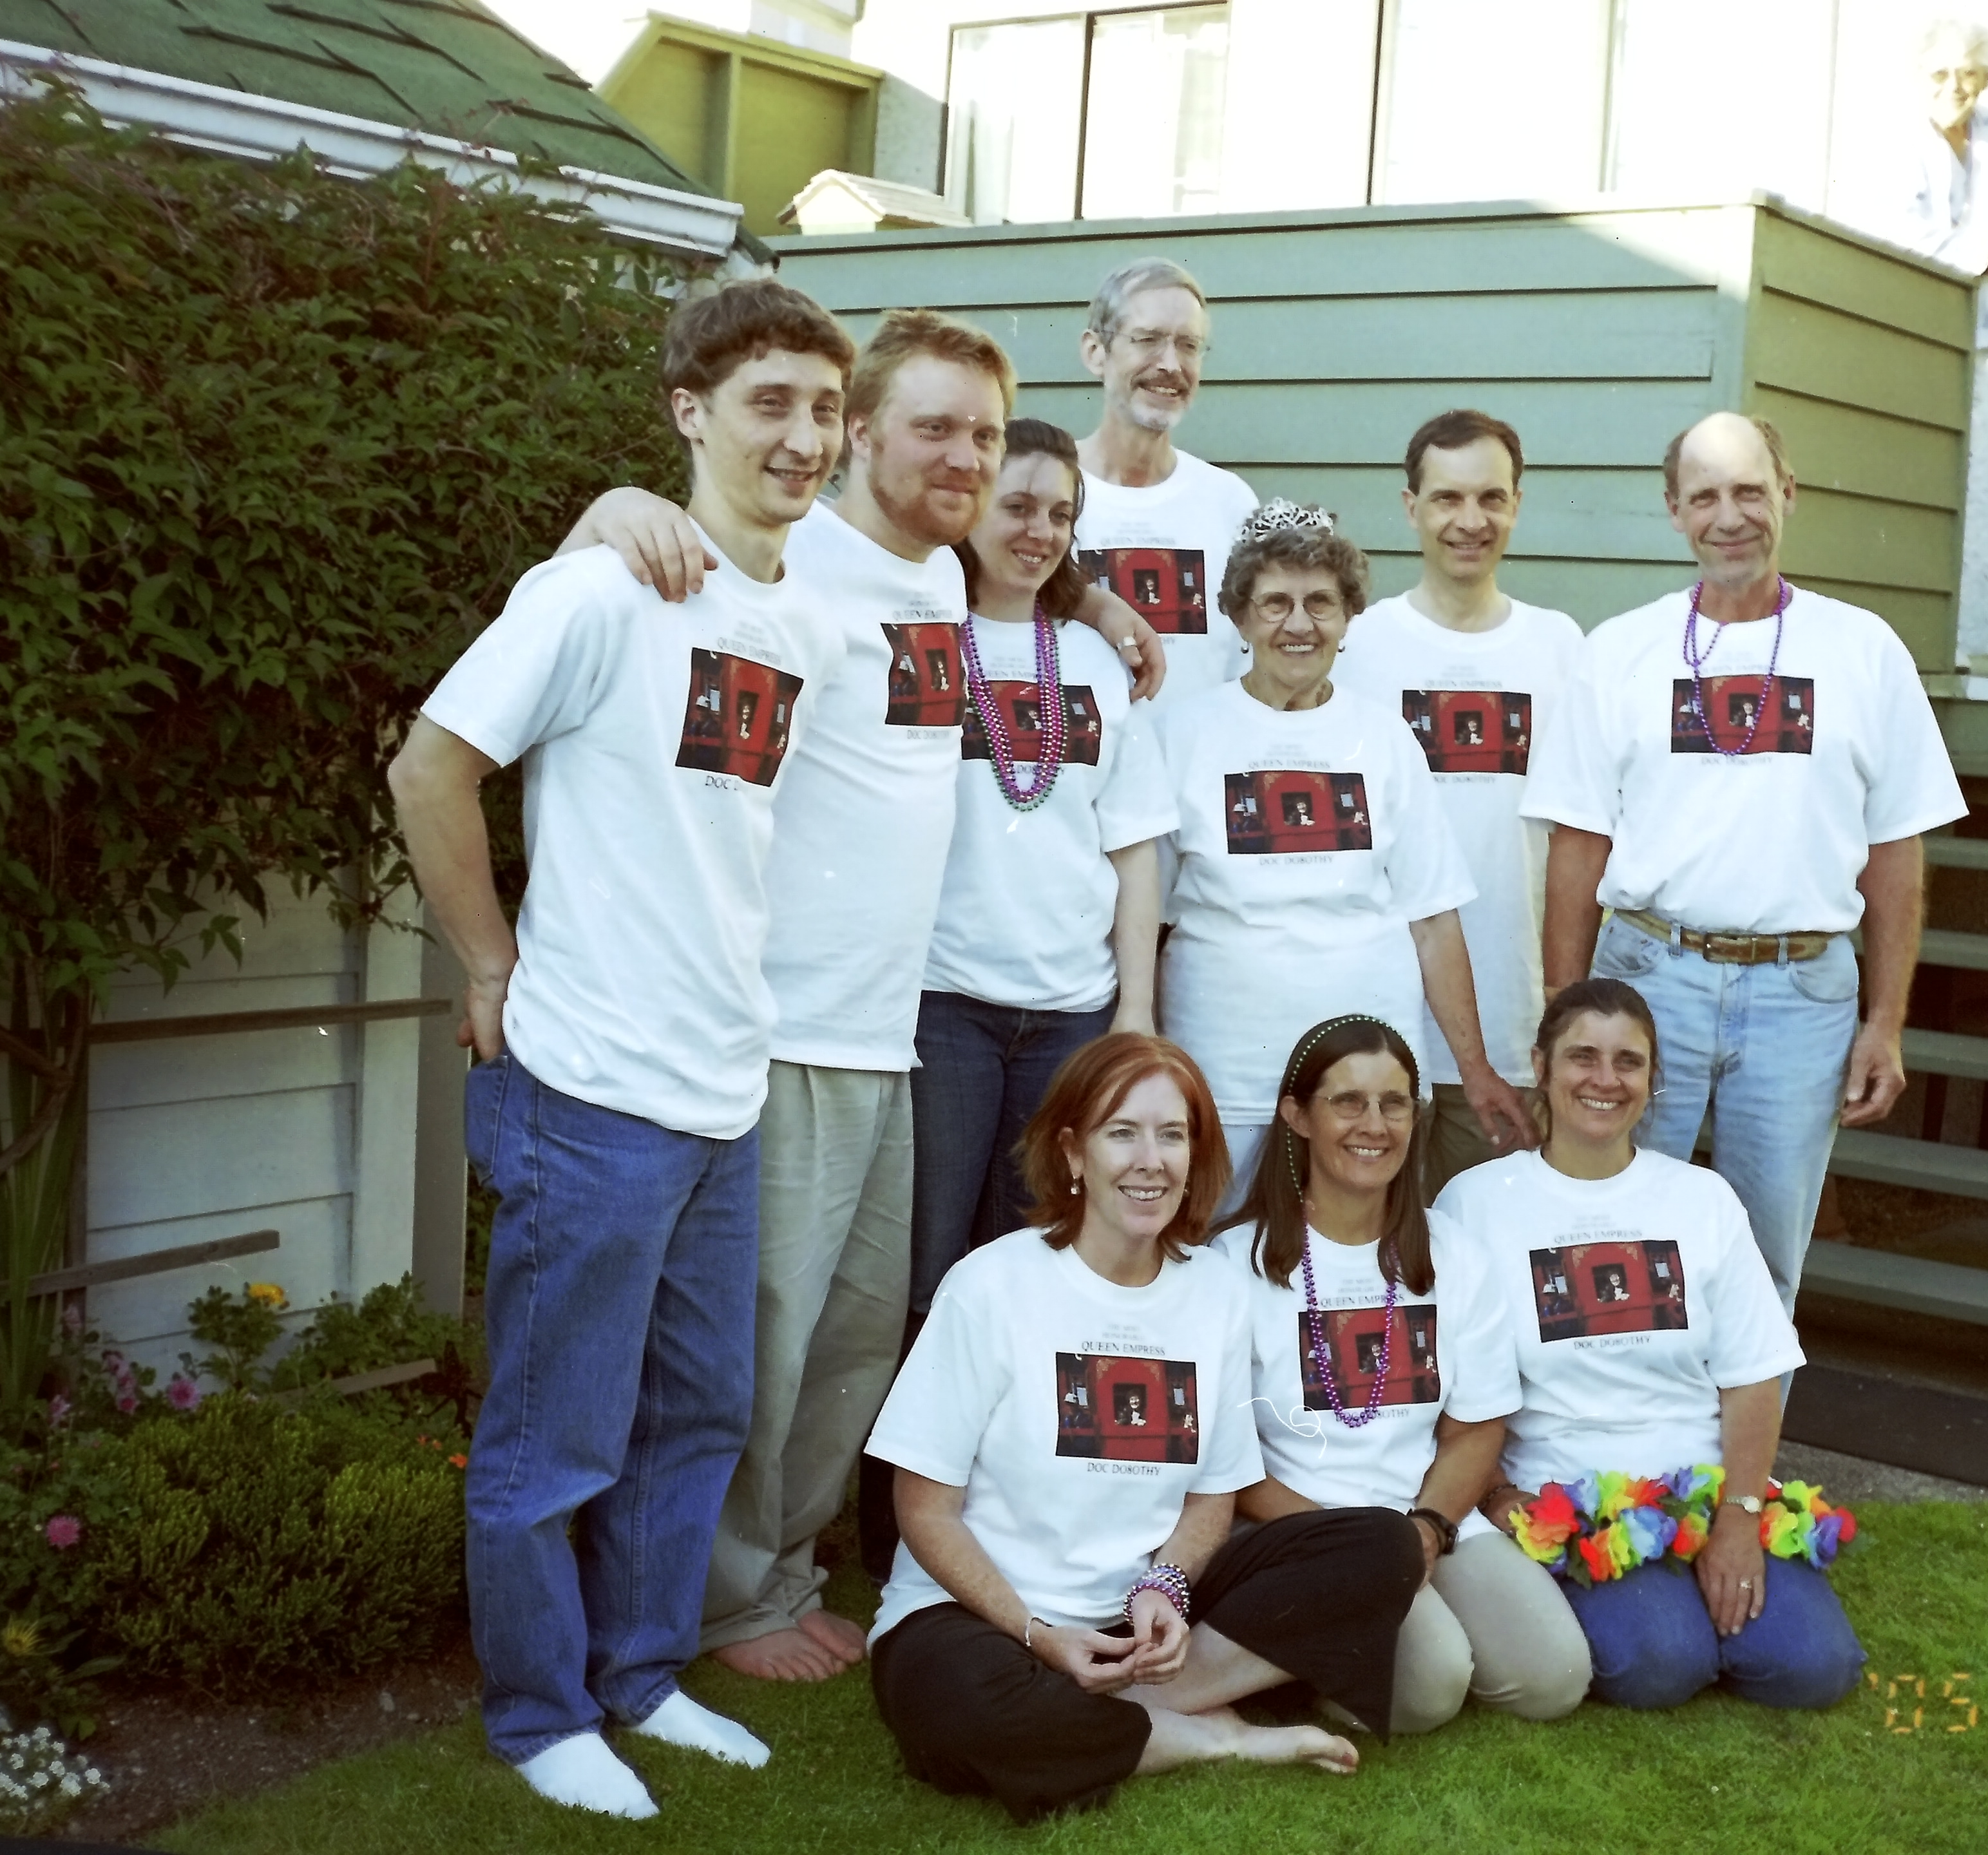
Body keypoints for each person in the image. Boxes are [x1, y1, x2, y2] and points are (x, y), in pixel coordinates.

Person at [387, 279, 854, 1816]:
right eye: (769, 402)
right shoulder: (596, 595)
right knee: (555, 1435)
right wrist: (490, 964)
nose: (802, 436)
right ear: (689, 412)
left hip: (724, 1089)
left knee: (696, 1418)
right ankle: (542, 1715)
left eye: (823, 408)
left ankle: (642, 1675)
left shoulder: (797, 618)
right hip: (587, 1089)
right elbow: (431, 770)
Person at [560, 309, 1015, 1684]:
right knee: (755, 1339)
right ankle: (713, 1601)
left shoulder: (943, 580)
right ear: (859, 433)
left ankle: (780, 1572)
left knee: (850, 1339)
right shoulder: (789, 558)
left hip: (888, 1031)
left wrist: (1100, 601)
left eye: (984, 435)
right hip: (780, 1025)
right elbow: (624, 578)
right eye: (932, 428)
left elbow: (1048, 557)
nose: (964, 457)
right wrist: (610, 510)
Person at [865, 1032, 1426, 1821]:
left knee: (1382, 1545)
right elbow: (924, 1507)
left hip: (1136, 1615)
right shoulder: (991, 1285)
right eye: (1121, 1133)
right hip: (981, 1620)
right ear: (1073, 1152)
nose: (1150, 1161)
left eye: (1172, 1136)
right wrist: (1035, 1633)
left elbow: (1212, 1495)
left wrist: (1165, 1585)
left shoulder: (1215, 1293)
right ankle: (1210, 1737)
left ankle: (1116, 1707)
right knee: (960, 1706)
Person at [1525, 414, 1965, 1326]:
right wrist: (1564, 1011)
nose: (1730, 517)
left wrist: (1885, 1022)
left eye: (1750, 492)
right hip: (1648, 980)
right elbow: (1578, 843)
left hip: (1800, 993)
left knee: (1765, 1264)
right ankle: (1620, 1422)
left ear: (1787, 495)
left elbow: (1895, 850)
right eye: (1706, 497)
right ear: (1675, 511)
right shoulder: (1621, 651)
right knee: (1612, 1234)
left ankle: (1743, 1427)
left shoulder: (1864, 651)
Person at [861, 418, 1178, 1581]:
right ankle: (895, 1523)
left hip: (1070, 1011)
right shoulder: (917, 634)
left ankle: (1010, 1508)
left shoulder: (1092, 660)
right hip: (942, 1003)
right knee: (930, 1268)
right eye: (1017, 504)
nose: (1038, 531)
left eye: (1060, 513)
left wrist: (1134, 1014)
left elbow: (1133, 849)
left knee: (1037, 1258)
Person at [1438, 980, 1865, 1712]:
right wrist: (1496, 1492)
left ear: (1653, 1077)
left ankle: (1698, 1601)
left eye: (1628, 1061)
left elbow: (1753, 1376)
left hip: (1703, 1488)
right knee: (1660, 1663)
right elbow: (1453, 1383)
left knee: (1815, 1667)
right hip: (1569, 1497)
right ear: (1541, 1066)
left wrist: (1738, 1518)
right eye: (1583, 1057)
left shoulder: (1702, 1199)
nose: (1605, 1080)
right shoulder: (1474, 1203)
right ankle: (1659, 1617)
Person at [1155, 502, 1538, 1199]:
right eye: (1275, 603)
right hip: (1226, 1071)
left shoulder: (1386, 739)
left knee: (1360, 1251)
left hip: (1367, 1083)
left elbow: (1433, 920)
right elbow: (1146, 916)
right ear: (1240, 618)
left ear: (1348, 617)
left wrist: (1474, 1068)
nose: (1299, 624)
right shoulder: (1182, 735)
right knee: (1216, 1248)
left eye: (1320, 604)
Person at [1224, 1014, 1592, 1733]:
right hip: (1303, 1530)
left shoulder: (1454, 1255)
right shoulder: (1233, 1266)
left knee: (1553, 1677)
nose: (1375, 1124)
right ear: (1297, 1115)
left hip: (1427, 1514)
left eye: (1394, 1104)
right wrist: (1361, 1550)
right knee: (1429, 1687)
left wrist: (1426, 1528)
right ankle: (1296, 1661)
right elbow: (1228, 1462)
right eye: (1347, 1101)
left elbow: (1476, 1429)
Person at [1335, 411, 1587, 1195]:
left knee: (1488, 1249)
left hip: (1511, 1025)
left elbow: (1580, 840)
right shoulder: (1357, 647)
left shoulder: (1561, 649)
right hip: (1378, 1018)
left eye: (1491, 498)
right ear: (1411, 507)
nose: (1470, 521)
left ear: (1518, 504)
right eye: (1448, 498)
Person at [1073, 257, 1260, 702]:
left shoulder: (1229, 503)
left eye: (1189, 345)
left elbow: (1253, 663)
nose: (1171, 364)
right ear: (1095, 352)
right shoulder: (1045, 498)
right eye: (1148, 340)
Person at [1882, 18, 1988, 351]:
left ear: (1985, 79)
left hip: (1978, 322)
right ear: (1920, 77)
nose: (1954, 87)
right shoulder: (1898, 138)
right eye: (1940, 74)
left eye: (1968, 73)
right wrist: (1985, 251)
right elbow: (1901, 235)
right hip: (1904, 320)